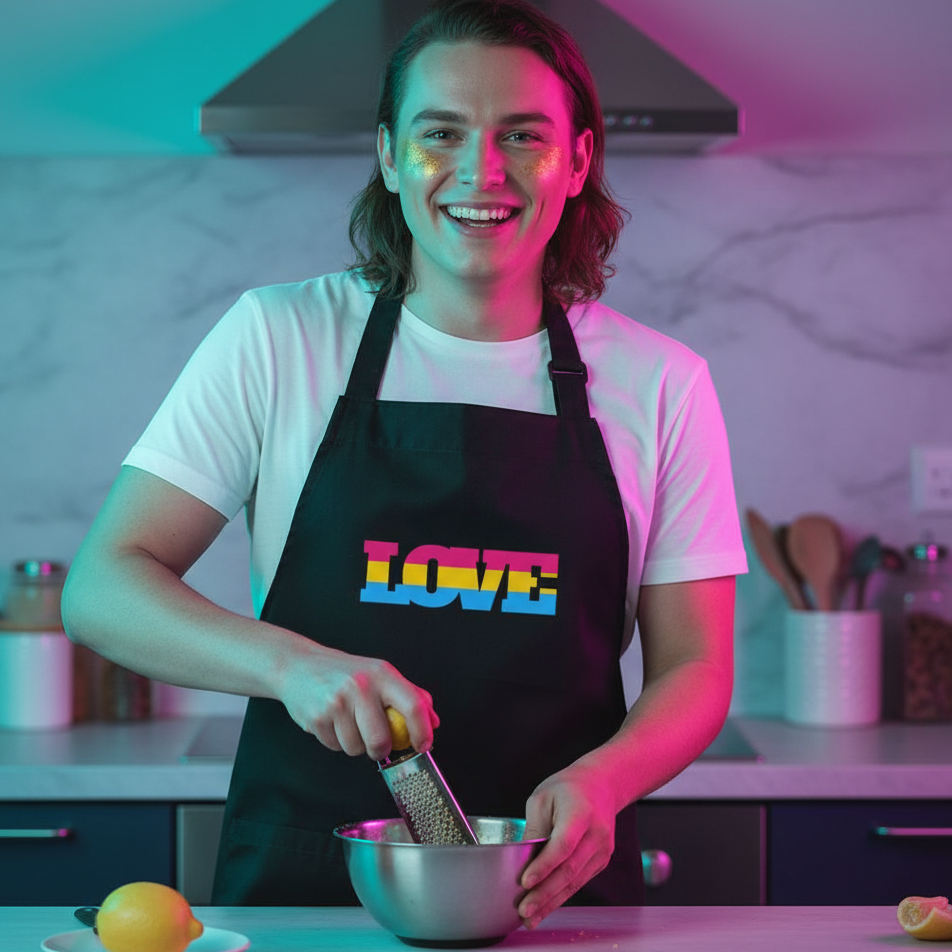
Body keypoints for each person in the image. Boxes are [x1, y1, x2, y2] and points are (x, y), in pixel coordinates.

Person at [62, 0, 747, 928]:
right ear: (388, 156)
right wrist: (293, 667)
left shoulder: (663, 382)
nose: (481, 171)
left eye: (522, 136)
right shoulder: (278, 338)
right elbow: (103, 587)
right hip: (307, 884)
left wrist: (605, 782)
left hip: (550, 886)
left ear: (578, 160)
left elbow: (697, 665)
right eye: (441, 134)